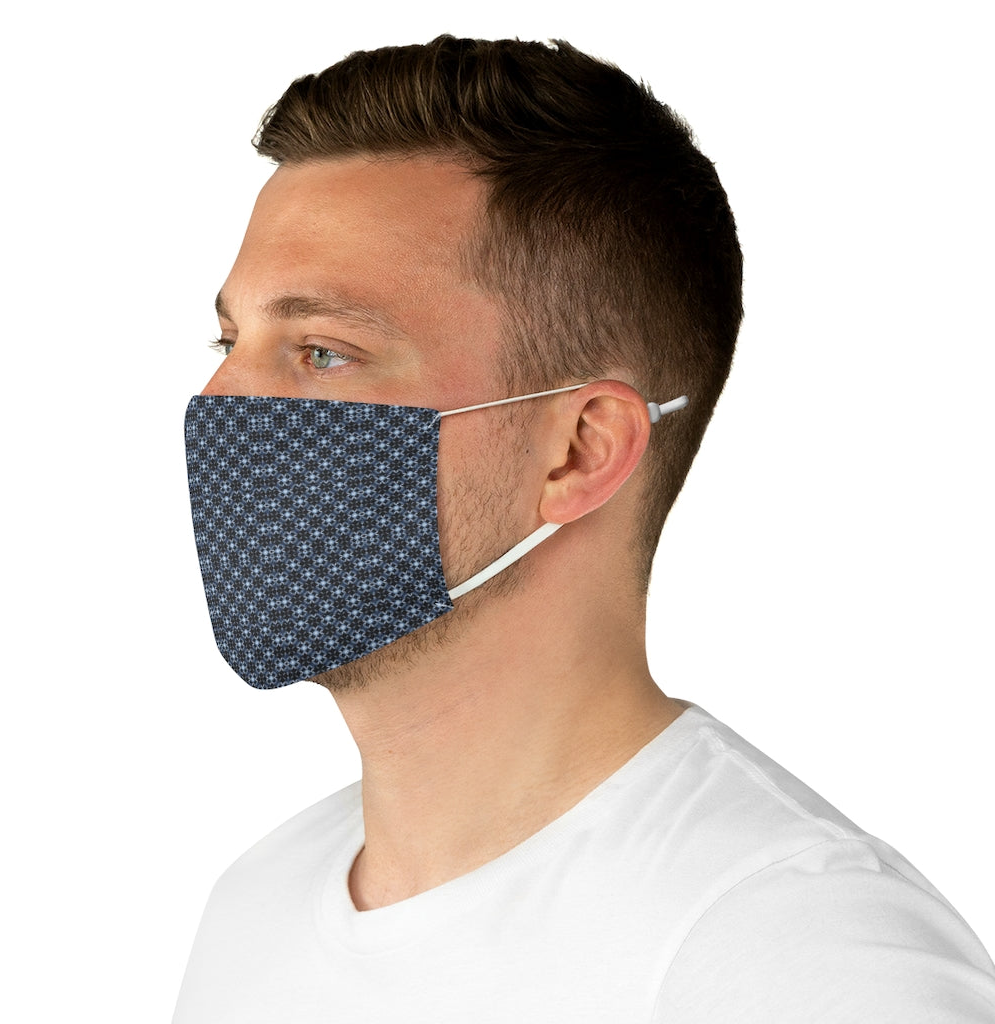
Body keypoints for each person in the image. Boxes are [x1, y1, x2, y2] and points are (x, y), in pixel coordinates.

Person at [174, 35, 995, 1022]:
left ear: (578, 449)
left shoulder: (798, 959)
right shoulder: (254, 911)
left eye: (322, 351)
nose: (220, 401)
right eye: (230, 340)